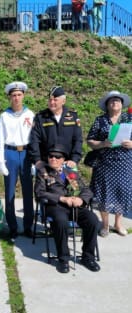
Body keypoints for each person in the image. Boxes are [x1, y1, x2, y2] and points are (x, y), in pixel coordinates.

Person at [34, 144, 100, 274]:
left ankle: (88, 257)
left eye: (57, 157)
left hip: (74, 206)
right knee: (61, 222)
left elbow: (86, 190)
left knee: (92, 220)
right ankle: (63, 259)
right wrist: (62, 199)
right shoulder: (43, 173)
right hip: (55, 206)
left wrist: (81, 199)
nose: (53, 159)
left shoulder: (71, 172)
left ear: (63, 160)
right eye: (51, 156)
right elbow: (39, 193)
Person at [86, 90, 132, 237]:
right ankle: (105, 225)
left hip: (125, 162)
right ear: (107, 105)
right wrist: (103, 143)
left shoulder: (129, 119)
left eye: (117, 100)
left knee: (122, 192)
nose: (115, 102)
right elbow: (90, 141)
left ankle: (118, 223)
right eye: (111, 100)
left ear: (122, 104)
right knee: (103, 193)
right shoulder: (100, 120)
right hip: (104, 163)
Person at [0, 82, 35, 239]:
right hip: (10, 153)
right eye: (13, 95)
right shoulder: (4, 116)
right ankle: (13, 227)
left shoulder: (30, 115)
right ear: (9, 97)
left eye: (19, 95)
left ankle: (29, 226)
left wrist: (35, 160)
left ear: (23, 95)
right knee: (9, 192)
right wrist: (1, 162)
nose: (16, 98)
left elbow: (35, 139)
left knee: (28, 192)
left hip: (26, 154)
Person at [28, 86, 83, 174]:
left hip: (67, 164)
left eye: (55, 100)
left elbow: (78, 140)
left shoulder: (73, 117)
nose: (52, 102)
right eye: (50, 100)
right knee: (43, 187)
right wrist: (37, 160)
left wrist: (74, 159)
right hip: (46, 164)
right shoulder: (40, 117)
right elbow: (34, 140)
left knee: (71, 187)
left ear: (63, 101)